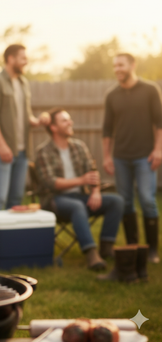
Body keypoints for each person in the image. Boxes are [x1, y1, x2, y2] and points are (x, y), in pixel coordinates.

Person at [35, 108, 124, 270]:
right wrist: (81, 180)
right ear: (53, 128)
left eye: (69, 119)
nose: (70, 122)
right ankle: (91, 254)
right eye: (65, 120)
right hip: (55, 200)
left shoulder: (79, 146)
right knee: (77, 206)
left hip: (80, 196)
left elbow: (92, 170)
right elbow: (50, 182)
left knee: (116, 201)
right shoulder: (43, 151)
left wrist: (96, 191)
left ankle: (106, 247)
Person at [103, 53, 162, 263]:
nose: (117, 69)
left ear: (132, 65)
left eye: (120, 65)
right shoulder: (112, 95)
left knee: (147, 200)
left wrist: (158, 150)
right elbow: (107, 129)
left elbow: (159, 123)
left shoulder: (150, 90)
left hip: (145, 157)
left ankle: (152, 250)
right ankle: (134, 248)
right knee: (126, 202)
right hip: (121, 158)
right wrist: (107, 157)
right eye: (114, 66)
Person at [0, 44, 50, 211]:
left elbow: (27, 117)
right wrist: (1, 145)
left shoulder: (24, 83)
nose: (26, 61)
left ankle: (9, 237)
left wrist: (39, 121)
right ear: (11, 59)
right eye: (23, 58)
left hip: (23, 152)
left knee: (16, 199)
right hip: (2, 152)